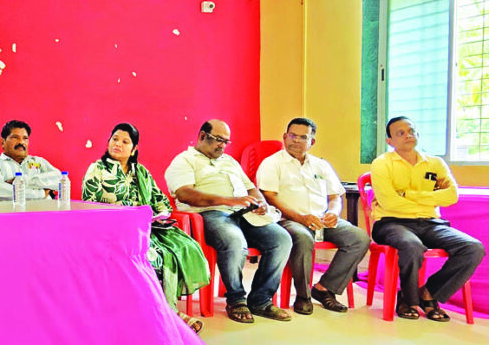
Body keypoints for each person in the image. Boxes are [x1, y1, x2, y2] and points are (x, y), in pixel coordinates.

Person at [82, 123, 210, 333]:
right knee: (151, 257)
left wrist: (158, 215)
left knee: (174, 251)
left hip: (143, 230)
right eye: (115, 139)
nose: (118, 144)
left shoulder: (141, 172)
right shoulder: (97, 169)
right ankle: (167, 315)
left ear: (133, 149)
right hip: (110, 232)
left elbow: (161, 202)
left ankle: (160, 313)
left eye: (125, 142)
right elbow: (90, 206)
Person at [164, 119, 293, 324]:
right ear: (202, 136)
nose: (222, 145)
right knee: (234, 241)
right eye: (218, 140)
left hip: (243, 213)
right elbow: (185, 194)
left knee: (282, 240)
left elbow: (251, 188)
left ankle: (261, 300)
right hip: (209, 214)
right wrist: (227, 200)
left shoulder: (230, 161)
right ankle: (236, 299)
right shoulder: (184, 160)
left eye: (226, 141)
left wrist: (261, 203)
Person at [370, 116, 485, 322]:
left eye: (411, 131)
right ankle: (408, 299)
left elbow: (452, 196)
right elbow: (389, 202)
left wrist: (409, 195)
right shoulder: (382, 163)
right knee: (411, 245)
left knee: (473, 248)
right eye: (401, 133)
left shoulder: (435, 163)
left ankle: (429, 293)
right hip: (392, 222)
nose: (408, 135)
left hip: (431, 223)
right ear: (390, 141)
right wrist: (430, 200)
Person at [256, 118, 369, 315]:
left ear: (312, 142)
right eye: (292, 135)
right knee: (303, 238)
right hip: (288, 220)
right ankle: (303, 295)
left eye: (303, 137)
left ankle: (325, 288)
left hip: (320, 220)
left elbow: (335, 196)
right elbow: (269, 196)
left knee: (359, 238)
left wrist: (333, 212)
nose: (296, 140)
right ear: (285, 137)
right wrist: (301, 217)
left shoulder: (321, 165)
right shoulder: (272, 163)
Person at [0, 120, 62, 201]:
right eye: (15, 137)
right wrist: (41, 193)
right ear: (3, 142)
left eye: (25, 138)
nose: (21, 142)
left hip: (45, 209)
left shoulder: (38, 161)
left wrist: (21, 180)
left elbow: (61, 179)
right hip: (11, 209)